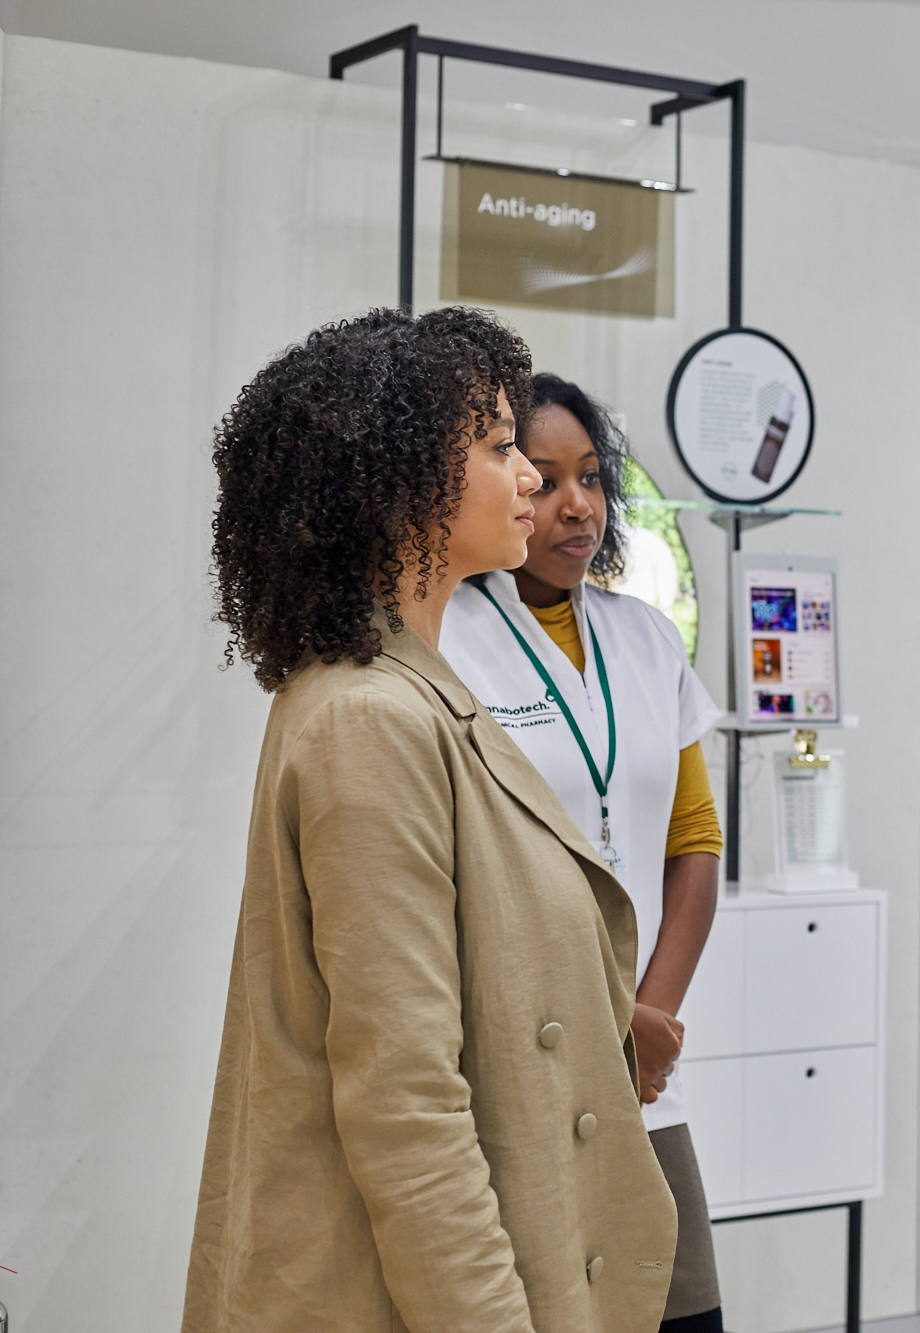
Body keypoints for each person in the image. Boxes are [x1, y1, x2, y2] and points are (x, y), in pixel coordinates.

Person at [186, 308, 678, 1333]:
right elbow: (406, 1106)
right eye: (500, 447)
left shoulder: (407, 691)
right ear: (405, 482)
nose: (531, 477)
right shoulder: (371, 718)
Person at [439, 373, 726, 1333]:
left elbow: (693, 842)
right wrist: (604, 1022)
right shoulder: (445, 642)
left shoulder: (645, 637)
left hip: (642, 1070)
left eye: (594, 477)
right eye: (544, 476)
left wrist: (650, 1018)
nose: (576, 505)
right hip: (515, 1063)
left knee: (682, 1310)